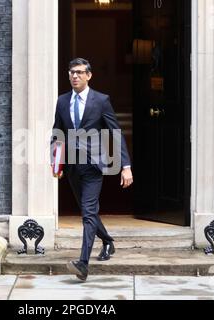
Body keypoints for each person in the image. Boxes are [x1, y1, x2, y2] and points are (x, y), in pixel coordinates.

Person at [51, 58, 133, 281]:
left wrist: (126, 166)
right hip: (71, 167)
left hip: (93, 165)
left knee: (87, 213)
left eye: (79, 72)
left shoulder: (101, 101)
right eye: (71, 73)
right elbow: (56, 134)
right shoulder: (62, 101)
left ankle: (83, 264)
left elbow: (115, 133)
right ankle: (107, 241)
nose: (74, 76)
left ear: (89, 75)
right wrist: (55, 162)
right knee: (88, 212)